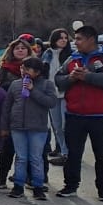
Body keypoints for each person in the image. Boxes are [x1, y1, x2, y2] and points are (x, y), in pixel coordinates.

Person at [54, 24, 103, 202]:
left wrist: (88, 77)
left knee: (101, 153)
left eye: (78, 39)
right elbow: (58, 79)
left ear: (91, 39)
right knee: (73, 153)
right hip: (74, 114)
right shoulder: (72, 58)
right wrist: (71, 78)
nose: (74, 42)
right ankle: (70, 186)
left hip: (99, 115)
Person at [2, 56, 59, 199]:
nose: (24, 71)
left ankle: (38, 186)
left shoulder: (47, 85)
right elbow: (7, 107)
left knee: (36, 158)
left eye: (27, 69)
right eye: (22, 68)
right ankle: (18, 186)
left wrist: (33, 91)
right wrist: (4, 126)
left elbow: (51, 102)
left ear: (37, 71)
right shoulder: (15, 84)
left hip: (37, 128)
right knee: (21, 157)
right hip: (17, 127)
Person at [0, 39, 34, 188]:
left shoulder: (36, 68)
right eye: (17, 48)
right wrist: (15, 86)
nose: (20, 50)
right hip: (10, 112)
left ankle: (29, 177)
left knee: (30, 150)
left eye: (24, 48)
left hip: (31, 113)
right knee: (7, 147)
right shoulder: (4, 68)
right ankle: (2, 177)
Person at [41, 29, 73, 165]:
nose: (64, 40)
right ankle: (64, 152)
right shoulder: (47, 54)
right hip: (51, 93)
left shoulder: (71, 55)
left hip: (66, 93)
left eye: (66, 38)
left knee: (67, 125)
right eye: (61, 38)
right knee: (57, 126)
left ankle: (71, 153)